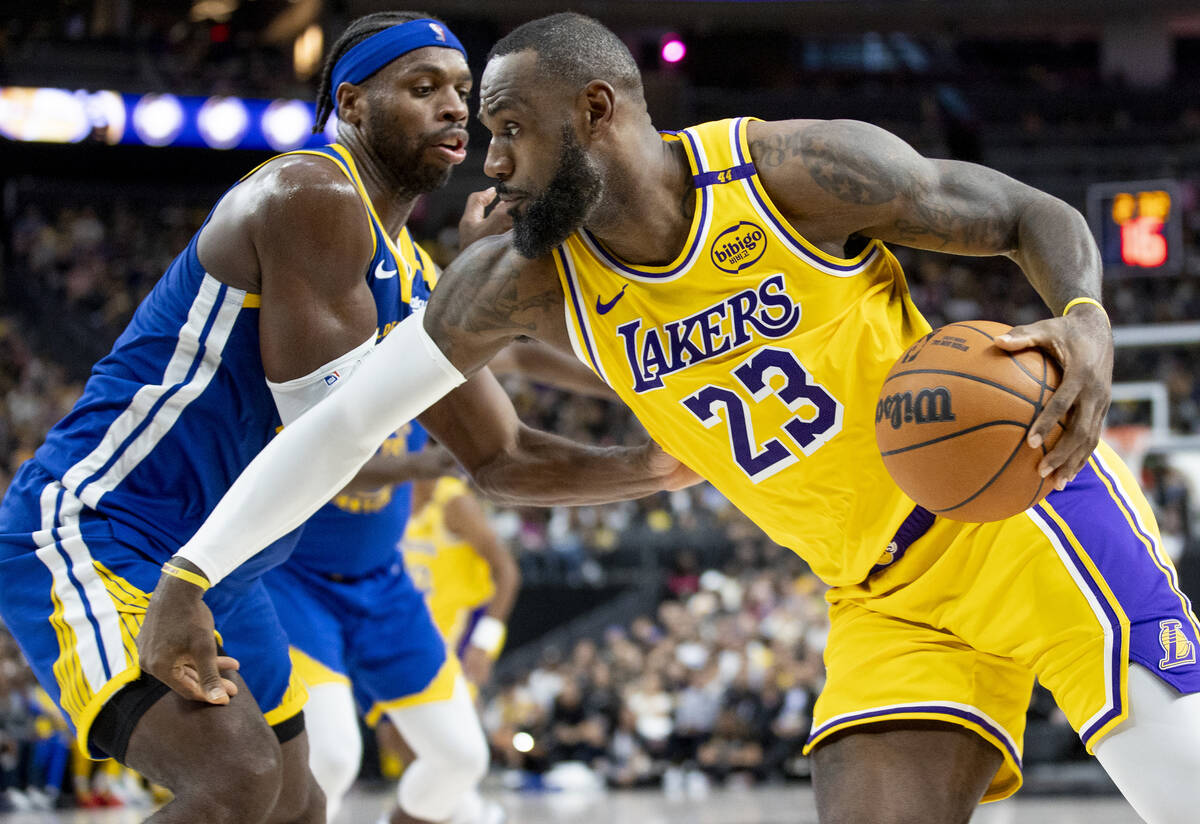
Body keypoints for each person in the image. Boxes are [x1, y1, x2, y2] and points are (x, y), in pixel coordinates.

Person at [149, 12, 1200, 824]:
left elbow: (1030, 216)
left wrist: (1088, 323)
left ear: (597, 111)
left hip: (1021, 515)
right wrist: (194, 571)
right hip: (879, 595)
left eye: (510, 127)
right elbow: (343, 425)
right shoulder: (522, 283)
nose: (491, 161)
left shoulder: (787, 172)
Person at [0, 12, 694, 824]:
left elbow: (503, 455)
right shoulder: (313, 193)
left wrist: (663, 460)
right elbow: (330, 432)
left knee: (298, 803)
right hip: (104, 528)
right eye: (423, 87)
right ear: (352, 104)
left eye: (463, 93)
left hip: (227, 564)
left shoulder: (403, 265)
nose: (453, 110)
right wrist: (479, 312)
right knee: (238, 784)